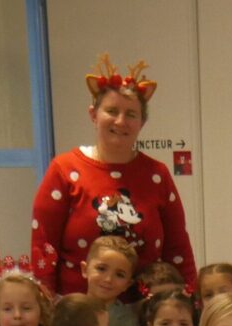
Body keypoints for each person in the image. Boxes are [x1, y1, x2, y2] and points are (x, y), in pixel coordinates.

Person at [32, 55, 195, 296]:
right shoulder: (64, 169)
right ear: (93, 114)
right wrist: (46, 303)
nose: (121, 121)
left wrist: (190, 299)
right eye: (111, 110)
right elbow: (43, 248)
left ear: (142, 122)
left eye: (131, 114)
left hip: (145, 309)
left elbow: (178, 249)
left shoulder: (157, 175)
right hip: (78, 308)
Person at [81, 235, 143, 326]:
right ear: (85, 269)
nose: (108, 279)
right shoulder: (66, 313)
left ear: (127, 284)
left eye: (119, 275)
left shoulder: (133, 322)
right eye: (101, 269)